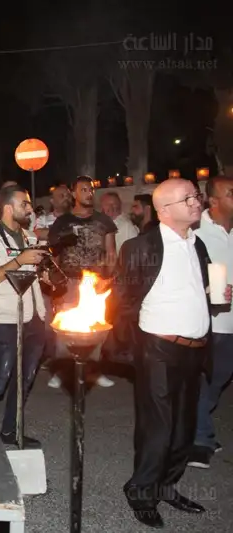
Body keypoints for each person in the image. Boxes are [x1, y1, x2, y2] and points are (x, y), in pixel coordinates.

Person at [112, 178, 230, 528]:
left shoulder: (197, 243)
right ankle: (141, 491)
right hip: (159, 350)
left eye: (196, 195)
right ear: (164, 210)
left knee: (184, 428)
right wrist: (134, 348)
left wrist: (216, 294)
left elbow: (198, 289)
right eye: (187, 198)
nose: (196, 202)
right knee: (158, 428)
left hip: (194, 350)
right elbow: (122, 302)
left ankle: (165, 486)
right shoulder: (140, 247)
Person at [0, 184, 47, 447]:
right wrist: (19, 260)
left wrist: (46, 274)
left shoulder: (29, 237)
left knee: (25, 379)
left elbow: (33, 274)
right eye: (24, 204)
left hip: (34, 317)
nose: (29, 208)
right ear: (8, 208)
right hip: (7, 319)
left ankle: (10, 430)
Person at [47, 176, 117, 389]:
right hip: (69, 282)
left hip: (96, 283)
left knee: (94, 327)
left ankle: (93, 371)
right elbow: (54, 255)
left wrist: (107, 278)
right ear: (74, 193)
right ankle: (62, 371)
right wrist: (55, 282)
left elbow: (111, 253)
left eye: (91, 190)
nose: (88, 193)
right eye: (84, 189)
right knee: (65, 329)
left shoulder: (104, 222)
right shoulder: (62, 222)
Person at [188, 175, 233, 469]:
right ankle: (199, 440)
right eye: (231, 193)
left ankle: (198, 430)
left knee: (220, 378)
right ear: (213, 201)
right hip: (212, 322)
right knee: (207, 380)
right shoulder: (196, 233)